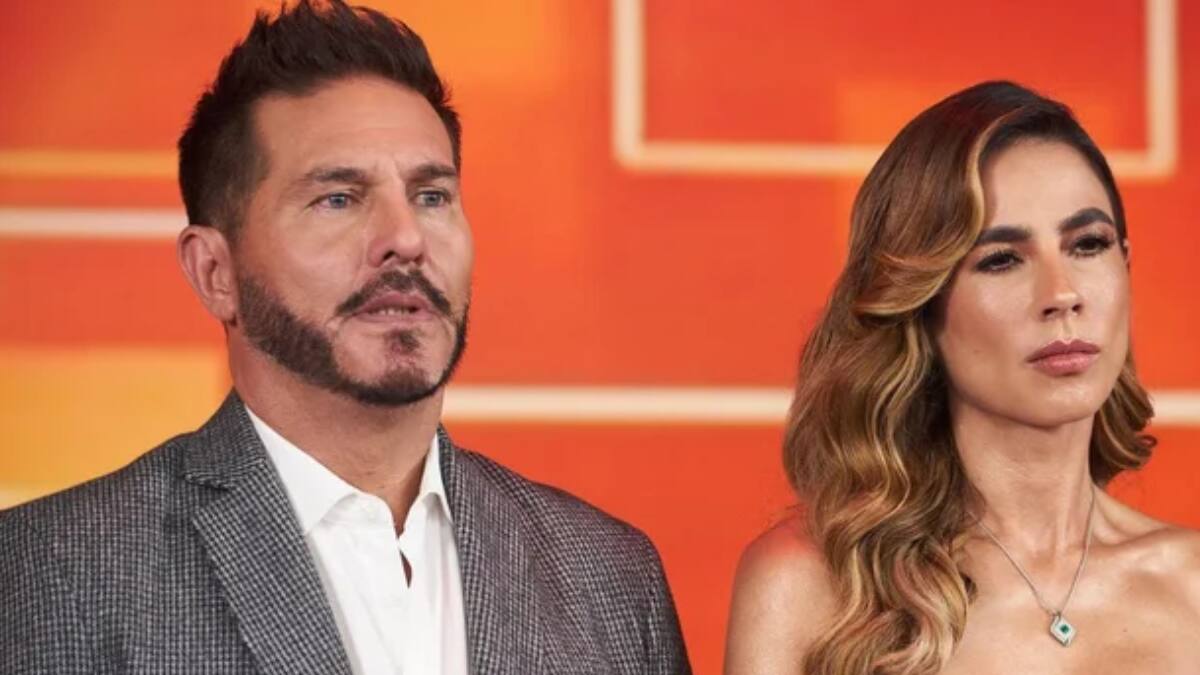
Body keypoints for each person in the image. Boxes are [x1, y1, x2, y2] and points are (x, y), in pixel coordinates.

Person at [0, 2, 690, 673]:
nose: (405, 238)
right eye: (338, 199)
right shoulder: (53, 574)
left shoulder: (609, 579)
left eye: (431, 196)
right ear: (215, 272)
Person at [724, 81, 1200, 674]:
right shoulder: (809, 586)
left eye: (1087, 244)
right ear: (920, 303)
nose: (1062, 294)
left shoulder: (1192, 584)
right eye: (1001, 259)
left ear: (1124, 265)